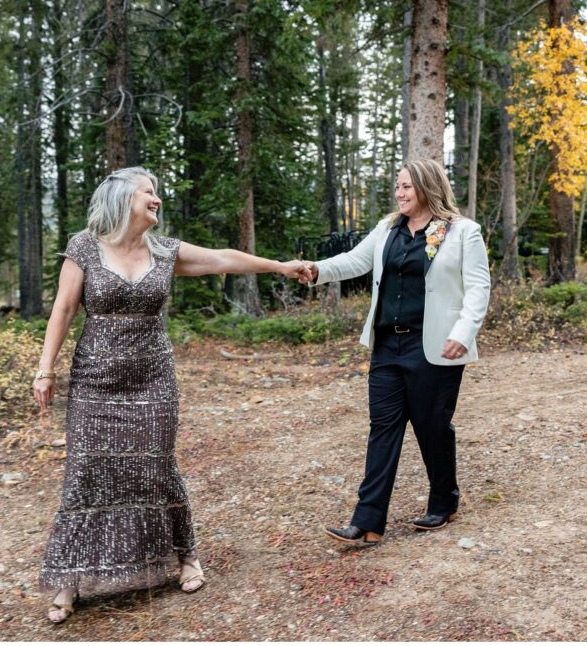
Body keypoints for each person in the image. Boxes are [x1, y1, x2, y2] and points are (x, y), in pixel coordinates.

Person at [33, 167, 309, 623]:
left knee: (157, 466)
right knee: (86, 471)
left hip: (153, 380)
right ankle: (70, 579)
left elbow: (222, 259)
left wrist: (279, 266)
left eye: (156, 192)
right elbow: (62, 309)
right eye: (149, 191)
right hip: (95, 383)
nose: (156, 198)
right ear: (123, 199)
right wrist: (46, 370)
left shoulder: (162, 250)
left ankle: (186, 557)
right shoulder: (84, 247)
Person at [299, 158, 490, 546]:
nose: (399, 193)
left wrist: (463, 332)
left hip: (435, 346)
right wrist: (317, 270)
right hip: (387, 344)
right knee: (383, 428)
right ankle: (367, 521)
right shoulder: (388, 229)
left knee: (432, 426)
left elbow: (478, 288)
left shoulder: (462, 232)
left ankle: (444, 501)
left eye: (406, 186)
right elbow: (355, 260)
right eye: (397, 186)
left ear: (427, 186)